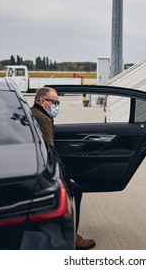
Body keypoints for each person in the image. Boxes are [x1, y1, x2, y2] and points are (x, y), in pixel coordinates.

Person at [30, 87, 96, 250]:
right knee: (76, 190)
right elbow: (49, 151)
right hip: (40, 171)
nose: (57, 105)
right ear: (42, 101)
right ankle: (71, 237)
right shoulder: (41, 118)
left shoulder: (37, 113)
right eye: (55, 102)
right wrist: (63, 178)